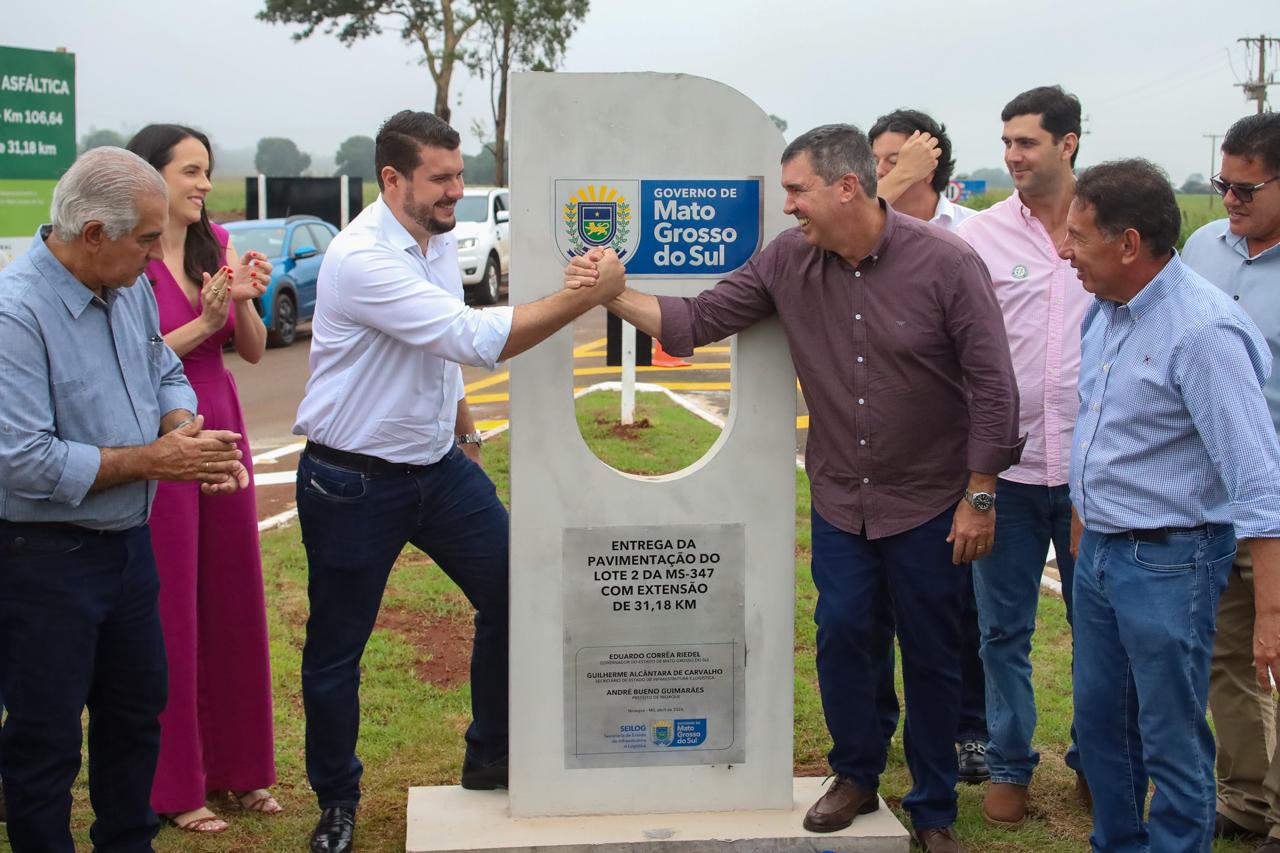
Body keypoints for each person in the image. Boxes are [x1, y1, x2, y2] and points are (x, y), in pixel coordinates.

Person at [568, 123, 1022, 853]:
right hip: (843, 498)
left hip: (931, 502)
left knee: (933, 652)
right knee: (843, 636)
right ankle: (856, 774)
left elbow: (994, 385)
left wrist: (980, 494)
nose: (787, 207)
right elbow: (699, 319)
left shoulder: (947, 263)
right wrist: (615, 294)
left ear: (847, 186)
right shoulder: (787, 260)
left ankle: (933, 806)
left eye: (796, 190)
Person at [294, 110, 624, 853]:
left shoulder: (435, 240)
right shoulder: (362, 258)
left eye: (459, 173)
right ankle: (338, 800)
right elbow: (472, 339)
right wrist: (587, 295)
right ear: (392, 179)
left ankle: (490, 754)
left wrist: (467, 435)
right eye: (440, 178)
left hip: (438, 470)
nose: (456, 190)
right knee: (337, 651)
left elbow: (438, 356)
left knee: (518, 593)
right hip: (351, 482)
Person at [0, 146, 249, 853]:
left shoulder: (128, 286)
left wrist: (180, 427)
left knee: (136, 716)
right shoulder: (16, 313)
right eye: (145, 239)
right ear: (92, 234)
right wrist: (153, 461)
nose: (154, 255)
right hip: (43, 560)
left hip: (127, 550)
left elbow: (163, 368)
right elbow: (21, 458)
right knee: (46, 738)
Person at [1061, 157, 1280, 853]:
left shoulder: (1203, 332)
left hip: (1171, 559)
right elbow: (1096, 422)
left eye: (1079, 236)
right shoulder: (1105, 310)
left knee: (1170, 731)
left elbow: (1257, 480)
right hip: (1103, 552)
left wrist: (1271, 612)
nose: (1065, 250)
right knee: (1101, 721)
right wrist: (1084, 519)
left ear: (1129, 244)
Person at [125, 125, 280, 833]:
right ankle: (177, 784)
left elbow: (253, 350)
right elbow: (132, 359)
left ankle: (241, 770)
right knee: (172, 607)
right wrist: (202, 320)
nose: (204, 184)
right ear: (150, 175)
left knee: (233, 596)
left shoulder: (213, 243)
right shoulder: (129, 255)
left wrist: (242, 300)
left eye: (207, 171)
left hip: (224, 421)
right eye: (190, 170)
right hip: (163, 434)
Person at [953, 85, 1092, 826]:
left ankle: (1097, 762)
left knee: (1101, 628)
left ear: (1068, 144)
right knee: (1001, 631)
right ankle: (1009, 763)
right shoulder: (980, 237)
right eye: (1006, 142)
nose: (1012, 155)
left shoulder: (1108, 227)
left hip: (1095, 478)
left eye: (1027, 142)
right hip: (1004, 474)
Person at [867, 108, 988, 785]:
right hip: (874, 454)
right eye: (875, 160)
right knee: (866, 612)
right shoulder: (855, 238)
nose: (879, 171)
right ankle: (877, 729)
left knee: (954, 608)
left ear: (930, 161)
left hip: (951, 456)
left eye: (893, 159)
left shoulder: (971, 238)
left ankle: (967, 731)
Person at [1183, 112, 1280, 852]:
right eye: (1223, 184)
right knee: (1227, 655)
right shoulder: (1200, 249)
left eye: (1246, 189)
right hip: (1213, 498)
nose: (1229, 200)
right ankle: (1245, 798)